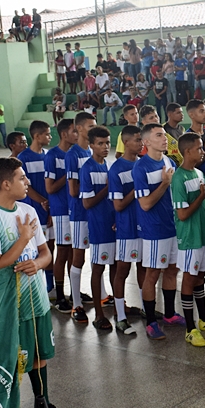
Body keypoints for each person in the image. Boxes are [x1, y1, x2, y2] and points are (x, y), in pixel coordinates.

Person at [0, 157, 72, 408]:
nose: (27, 182)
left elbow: (46, 254)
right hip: (10, 306)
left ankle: (43, 405)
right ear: (5, 184)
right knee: (14, 363)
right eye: (21, 178)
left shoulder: (28, 209)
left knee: (40, 357)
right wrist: (22, 239)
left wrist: (39, 264)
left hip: (36, 299)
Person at [133, 124, 183, 339]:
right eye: (159, 135)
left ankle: (170, 314)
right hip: (154, 229)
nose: (165, 138)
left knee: (172, 270)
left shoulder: (169, 161)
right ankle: (152, 321)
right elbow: (145, 204)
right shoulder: (140, 168)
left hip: (172, 226)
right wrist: (164, 184)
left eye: (164, 134)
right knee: (152, 274)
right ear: (147, 142)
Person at [171, 133, 205, 347]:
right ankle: (190, 328)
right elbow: (182, 215)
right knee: (189, 279)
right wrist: (201, 196)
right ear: (187, 151)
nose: (202, 151)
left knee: (200, 276)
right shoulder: (179, 178)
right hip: (189, 238)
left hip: (202, 235)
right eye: (198, 148)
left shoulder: (198, 172)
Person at [108, 125, 145, 335]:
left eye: (141, 140)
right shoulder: (117, 169)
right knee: (123, 270)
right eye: (137, 140)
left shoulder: (142, 164)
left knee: (143, 267)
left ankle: (144, 307)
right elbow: (119, 205)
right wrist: (136, 190)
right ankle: (120, 316)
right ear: (126, 142)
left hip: (144, 226)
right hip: (126, 227)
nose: (141, 143)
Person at [79, 126, 116, 331]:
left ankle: (118, 305)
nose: (104, 147)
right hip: (99, 226)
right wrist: (107, 188)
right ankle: (99, 313)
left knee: (116, 267)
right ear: (91, 144)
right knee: (98, 268)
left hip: (112, 223)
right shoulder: (87, 168)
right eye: (100, 144)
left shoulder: (109, 166)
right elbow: (87, 203)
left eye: (107, 143)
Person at [66, 112, 95, 322]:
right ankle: (76, 303)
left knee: (99, 255)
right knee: (79, 257)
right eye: (90, 126)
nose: (94, 128)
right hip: (79, 213)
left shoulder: (93, 151)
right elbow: (74, 190)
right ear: (79, 129)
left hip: (95, 211)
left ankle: (101, 295)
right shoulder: (73, 154)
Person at [45, 118, 75, 312]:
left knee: (75, 251)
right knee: (63, 251)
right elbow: (50, 187)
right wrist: (69, 174)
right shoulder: (53, 156)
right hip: (61, 209)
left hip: (76, 210)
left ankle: (75, 293)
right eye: (74, 131)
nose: (78, 134)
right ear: (64, 134)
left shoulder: (77, 153)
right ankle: (59, 295)